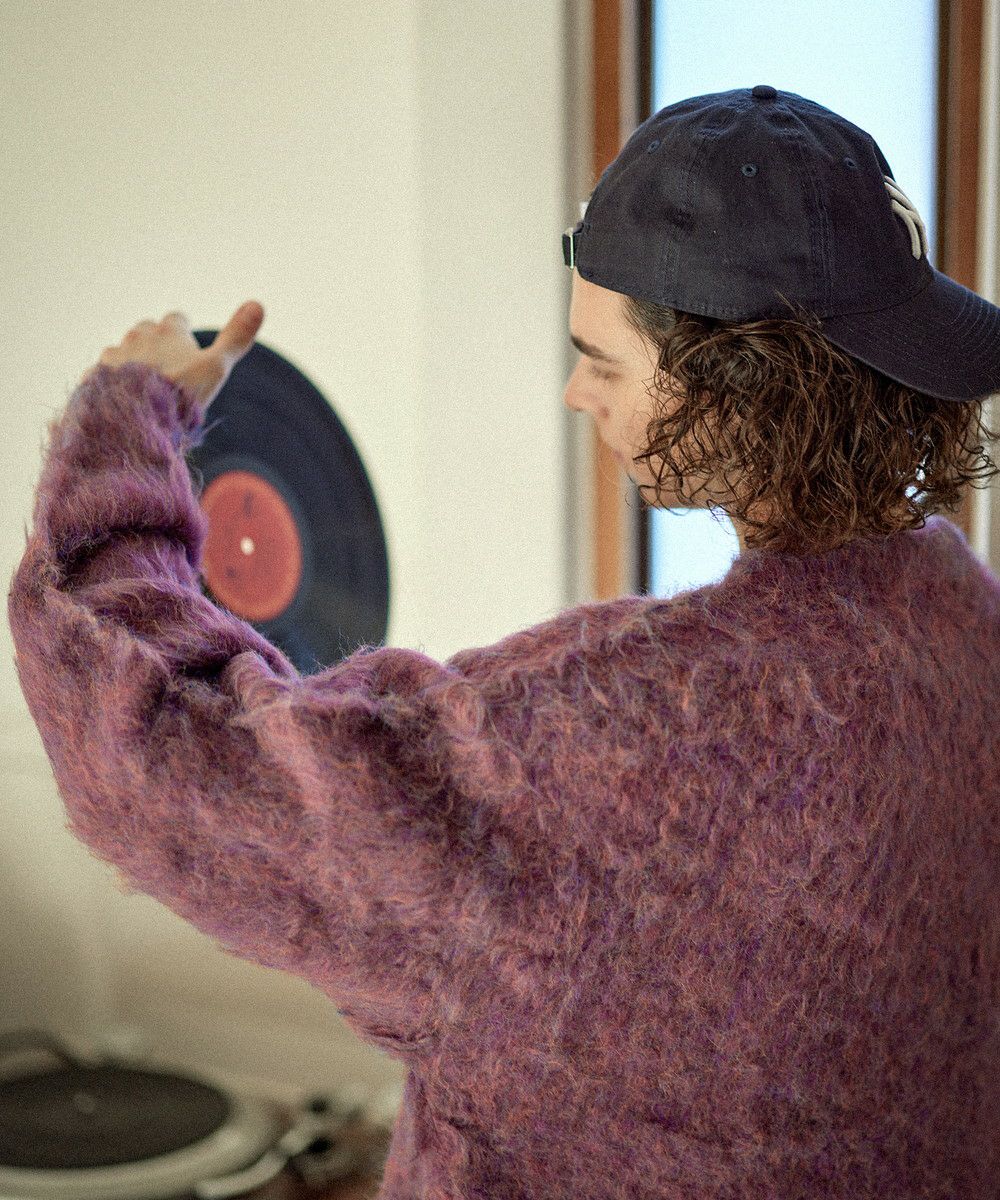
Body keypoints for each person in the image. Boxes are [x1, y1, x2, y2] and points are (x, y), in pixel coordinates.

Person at [8, 86, 1000, 1198]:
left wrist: (126, 421)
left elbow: (155, 749)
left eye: (603, 360)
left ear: (737, 386)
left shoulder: (606, 744)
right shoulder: (966, 628)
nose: (576, 392)